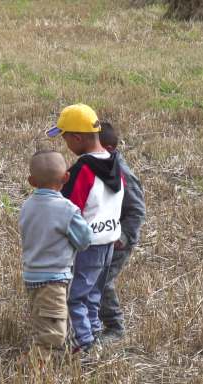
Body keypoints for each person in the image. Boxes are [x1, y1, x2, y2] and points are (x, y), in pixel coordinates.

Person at [46, 104, 124, 352]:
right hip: (109, 240)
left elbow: (69, 208)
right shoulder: (115, 164)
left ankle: (85, 345)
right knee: (93, 294)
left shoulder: (83, 169)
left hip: (88, 244)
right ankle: (94, 331)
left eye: (65, 137)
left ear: (77, 137)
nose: (65, 143)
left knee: (76, 297)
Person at [19, 150, 92, 350]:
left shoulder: (26, 206)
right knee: (53, 333)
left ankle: (48, 358)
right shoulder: (67, 209)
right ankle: (37, 367)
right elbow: (84, 240)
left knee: (45, 319)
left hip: (31, 275)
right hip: (53, 279)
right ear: (66, 177)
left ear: (32, 181)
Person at [98, 122, 146, 342]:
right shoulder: (99, 165)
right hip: (101, 237)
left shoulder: (122, 173)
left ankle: (115, 327)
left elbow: (137, 210)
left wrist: (125, 237)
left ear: (107, 148)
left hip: (118, 240)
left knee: (102, 280)